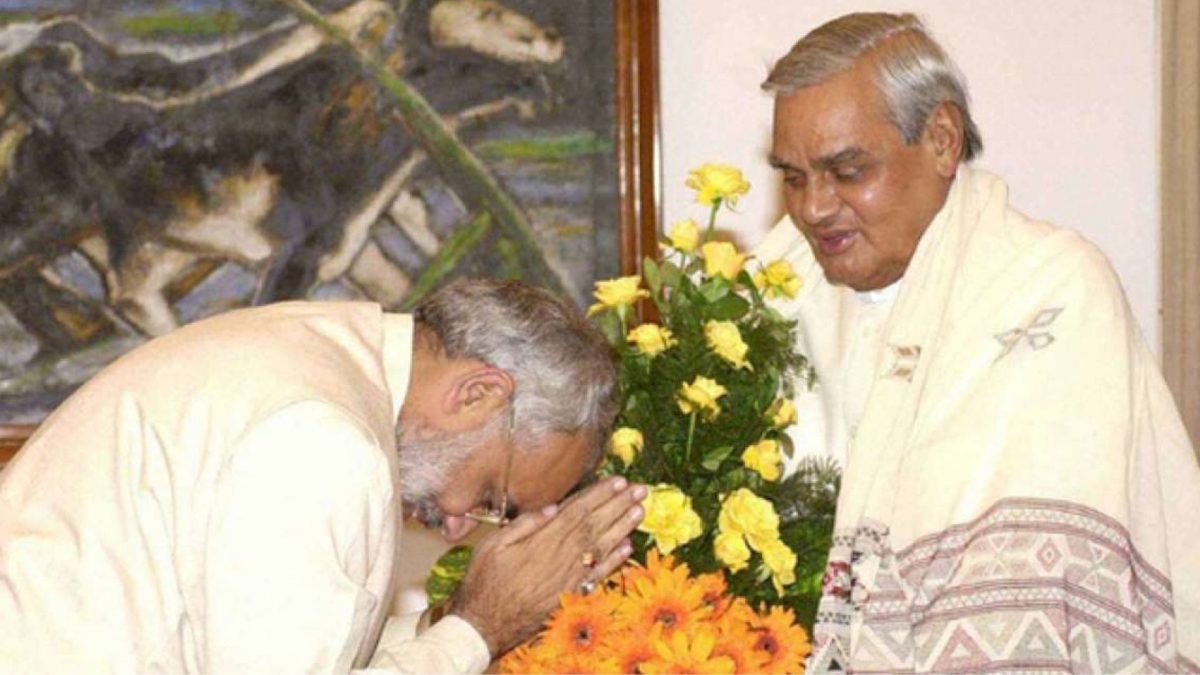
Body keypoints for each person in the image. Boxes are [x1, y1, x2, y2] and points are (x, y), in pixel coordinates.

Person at [755, 12, 1200, 673]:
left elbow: (1058, 591)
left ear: (940, 140)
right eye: (793, 177)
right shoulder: (768, 298)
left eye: (846, 170)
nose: (814, 207)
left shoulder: (1051, 288)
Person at [0, 278, 646, 672]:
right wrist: (477, 631)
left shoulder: (323, 352)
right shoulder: (324, 438)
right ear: (478, 392)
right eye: (489, 497)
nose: (455, 524)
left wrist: (453, 618)